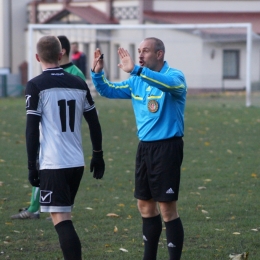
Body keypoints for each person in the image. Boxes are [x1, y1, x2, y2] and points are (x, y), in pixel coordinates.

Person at [91, 37, 187, 260]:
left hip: (167, 148)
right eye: (139, 51)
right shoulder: (136, 80)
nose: (140, 55)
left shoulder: (175, 76)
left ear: (159, 54)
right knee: (144, 205)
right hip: (144, 149)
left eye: (145, 51)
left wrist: (136, 70)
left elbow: (169, 85)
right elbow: (108, 90)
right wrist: (97, 73)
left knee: (167, 209)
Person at [25, 35, 105, 259]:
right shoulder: (79, 83)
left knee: (61, 219)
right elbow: (94, 123)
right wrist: (98, 155)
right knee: (64, 216)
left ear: (37, 57)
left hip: (54, 163)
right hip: (76, 162)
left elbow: (31, 131)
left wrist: (32, 166)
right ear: (61, 54)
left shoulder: (35, 85)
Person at [10, 35, 87, 220]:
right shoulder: (51, 78)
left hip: (60, 141)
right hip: (60, 143)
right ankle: (40, 206)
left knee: (44, 169)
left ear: (62, 53)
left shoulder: (75, 75)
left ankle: (39, 208)